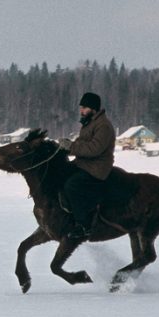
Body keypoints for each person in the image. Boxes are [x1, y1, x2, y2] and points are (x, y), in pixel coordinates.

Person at [58, 92, 116, 240]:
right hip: (84, 164)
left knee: (72, 185)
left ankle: (84, 225)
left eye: (84, 107)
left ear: (94, 109)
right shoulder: (89, 123)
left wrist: (71, 147)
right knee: (59, 174)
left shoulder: (103, 126)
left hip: (97, 168)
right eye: (81, 107)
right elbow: (81, 143)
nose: (81, 111)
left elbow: (94, 149)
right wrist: (66, 146)